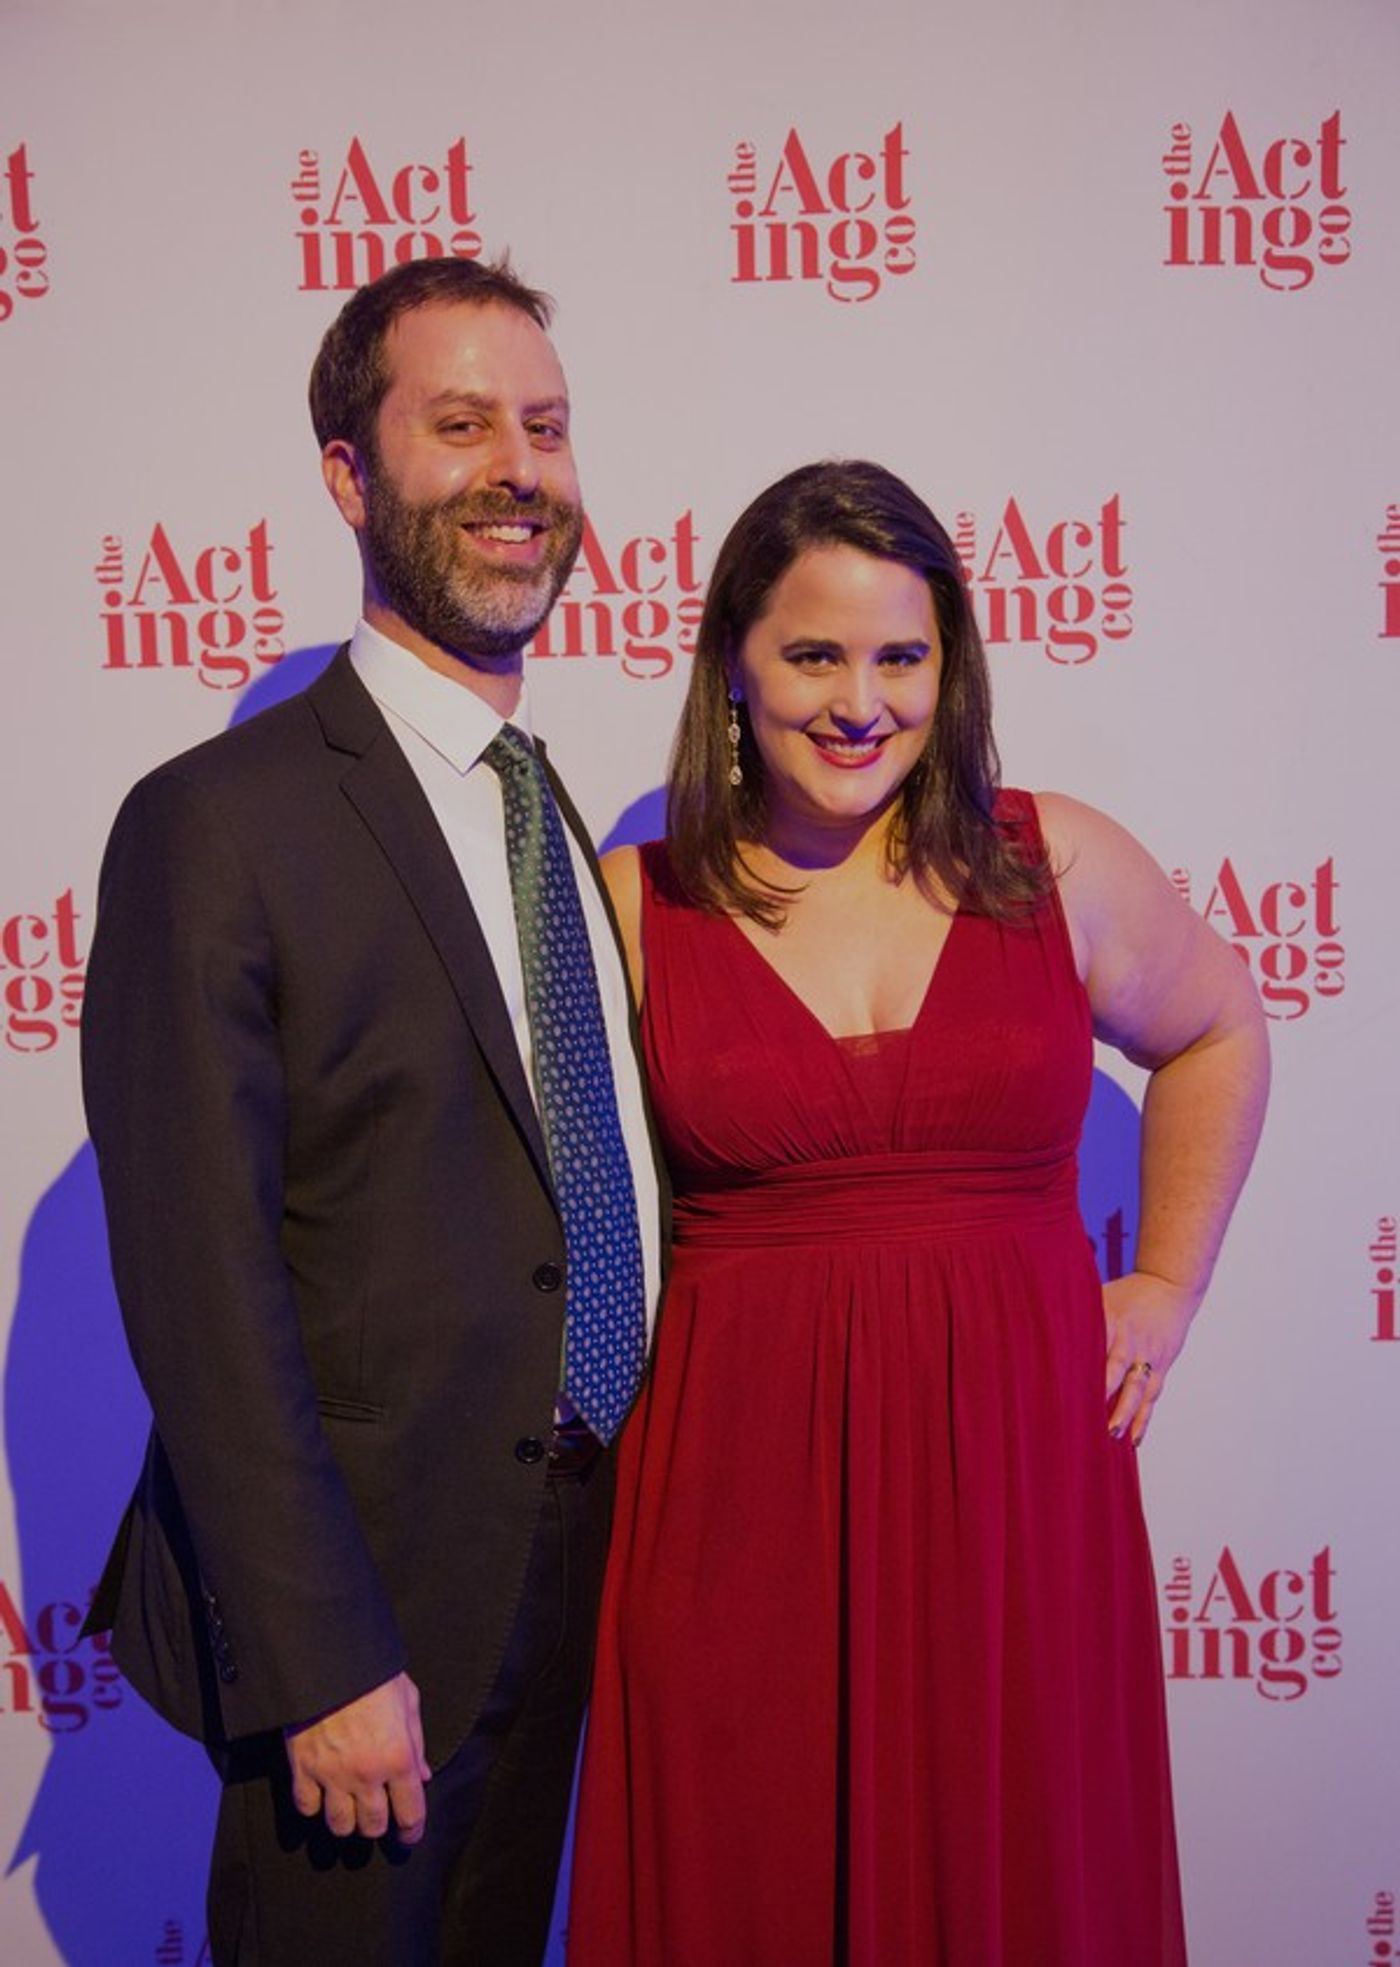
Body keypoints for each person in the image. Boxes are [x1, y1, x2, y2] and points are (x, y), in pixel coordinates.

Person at [567, 460, 1269, 1965]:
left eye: (903, 656)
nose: (860, 701)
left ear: (949, 671)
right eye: (813, 653)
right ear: (733, 670)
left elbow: (1221, 1029)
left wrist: (1165, 1281)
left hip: (1017, 1486)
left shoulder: (1054, 859)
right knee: (749, 1869)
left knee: (1019, 1874)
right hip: (733, 1489)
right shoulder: (634, 904)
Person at [81, 254, 661, 1967]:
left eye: (546, 429)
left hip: (577, 1576)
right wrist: (321, 1651)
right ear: (349, 472)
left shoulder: (555, 815)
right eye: (461, 422)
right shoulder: (218, 822)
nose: (519, 470)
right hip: (367, 1627)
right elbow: (200, 1284)